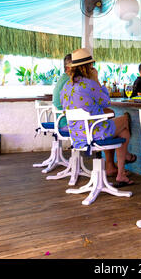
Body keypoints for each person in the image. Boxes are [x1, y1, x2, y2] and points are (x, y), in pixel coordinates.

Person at [61, 48, 136, 187]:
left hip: (77, 134)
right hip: (93, 132)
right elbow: (106, 101)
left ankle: (121, 174)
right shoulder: (89, 84)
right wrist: (96, 80)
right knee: (125, 119)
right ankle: (125, 156)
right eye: (91, 65)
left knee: (123, 132)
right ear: (86, 67)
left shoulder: (66, 86)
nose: (93, 67)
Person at [52, 53, 72, 129]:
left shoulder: (64, 78)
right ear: (68, 67)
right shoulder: (69, 80)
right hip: (66, 124)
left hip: (62, 121)